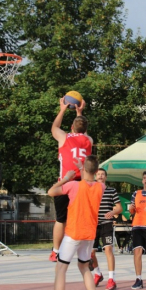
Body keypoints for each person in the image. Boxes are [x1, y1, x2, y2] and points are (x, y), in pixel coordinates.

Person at [42, 155, 105, 290]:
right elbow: (91, 178)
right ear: (96, 171)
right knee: (85, 268)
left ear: (84, 169)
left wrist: (66, 178)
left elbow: (51, 192)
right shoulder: (101, 187)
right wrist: (83, 167)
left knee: (61, 269)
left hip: (74, 233)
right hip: (89, 234)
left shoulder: (73, 185)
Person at [50, 95, 92, 263]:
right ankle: (81, 249)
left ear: (71, 127)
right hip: (81, 184)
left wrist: (62, 110)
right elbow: (82, 130)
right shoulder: (89, 140)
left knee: (61, 219)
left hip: (65, 183)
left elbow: (54, 127)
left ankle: (55, 251)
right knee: (79, 217)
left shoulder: (64, 137)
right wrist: (79, 113)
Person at [90, 168, 122, 290]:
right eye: (98, 174)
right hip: (93, 225)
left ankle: (111, 279)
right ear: (95, 176)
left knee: (108, 249)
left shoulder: (111, 191)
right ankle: (98, 274)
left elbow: (119, 208)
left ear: (106, 177)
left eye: (102, 174)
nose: (100, 176)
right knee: (91, 253)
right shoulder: (91, 190)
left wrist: (113, 212)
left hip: (107, 224)